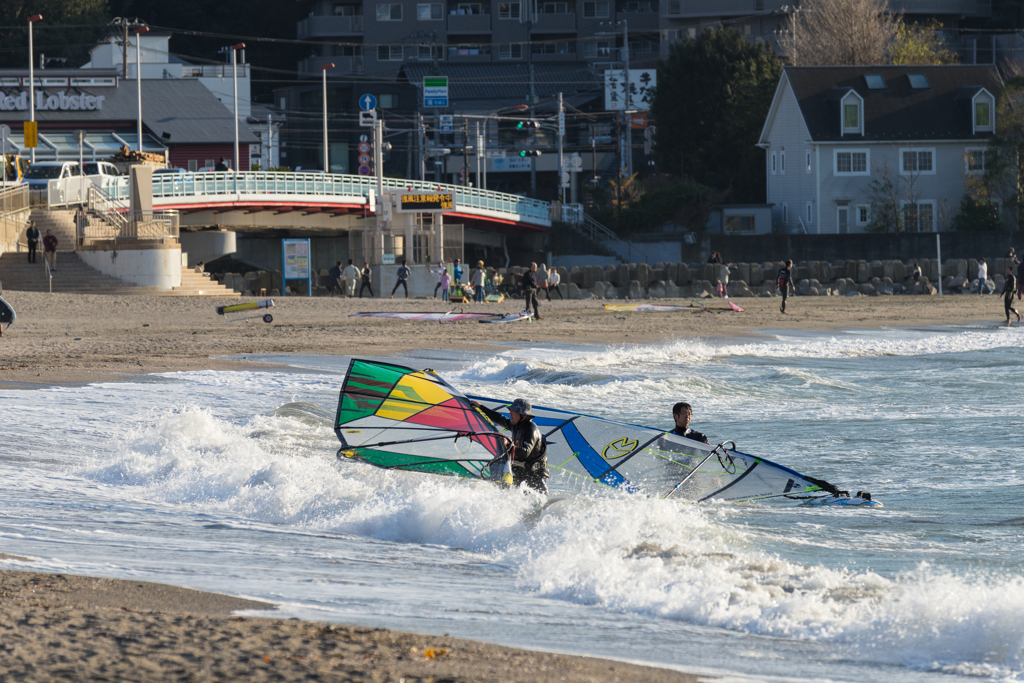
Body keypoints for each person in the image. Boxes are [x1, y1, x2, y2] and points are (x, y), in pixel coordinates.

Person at [469, 398, 548, 493]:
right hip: (521, 475)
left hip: (534, 479)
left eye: (513, 411)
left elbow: (525, 452)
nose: (510, 414)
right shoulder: (515, 425)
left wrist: (509, 444)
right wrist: (480, 407)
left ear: (523, 415)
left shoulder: (531, 430)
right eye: (510, 411)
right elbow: (499, 418)